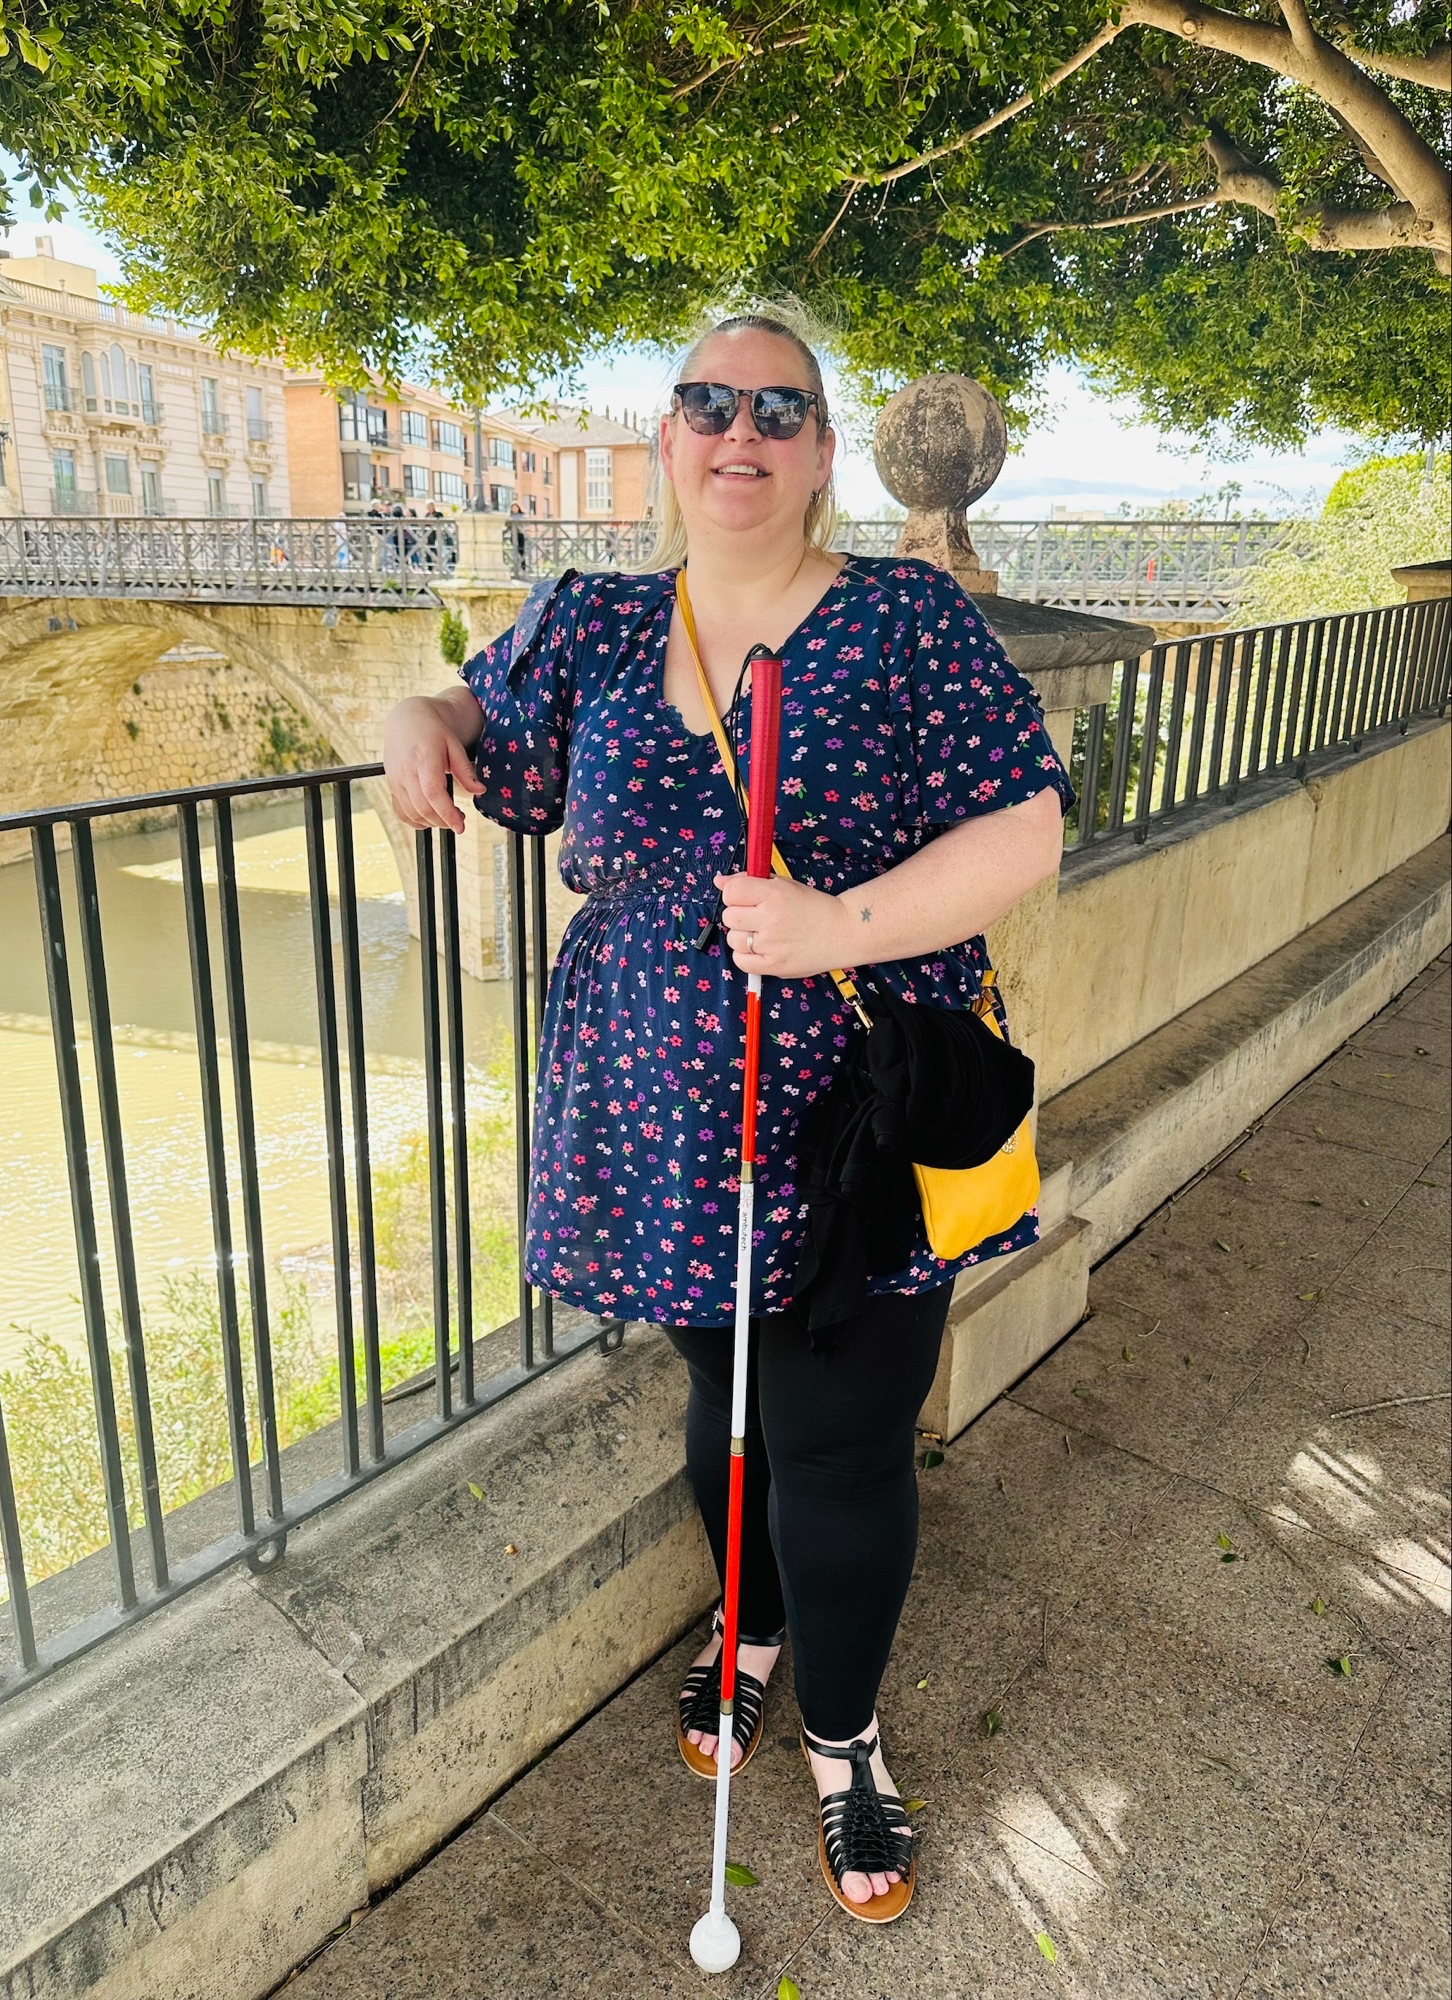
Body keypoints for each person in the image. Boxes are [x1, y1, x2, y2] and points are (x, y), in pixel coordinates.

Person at [383, 312, 1073, 1925]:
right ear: (666, 443)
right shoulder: (596, 622)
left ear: (823, 451)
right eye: (704, 402)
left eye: (778, 406)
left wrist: (835, 927)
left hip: (851, 1104)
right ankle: (746, 1632)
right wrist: (426, 719)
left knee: (837, 1441)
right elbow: (478, 715)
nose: (737, 428)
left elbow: (1025, 822)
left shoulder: (901, 619)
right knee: (729, 1390)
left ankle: (843, 1740)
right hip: (651, 1109)